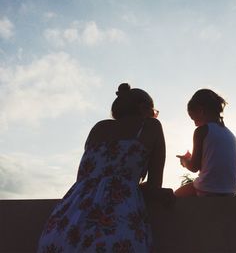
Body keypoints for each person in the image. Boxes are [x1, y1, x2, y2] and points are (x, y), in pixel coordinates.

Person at [38, 83, 166, 253]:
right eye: (154, 112)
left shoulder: (98, 128)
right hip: (116, 226)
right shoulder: (150, 126)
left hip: (66, 222)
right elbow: (154, 186)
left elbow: (83, 177)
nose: (154, 116)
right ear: (143, 108)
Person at [175, 89, 236, 197]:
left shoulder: (202, 131)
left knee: (174, 196)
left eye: (193, 119)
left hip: (207, 189)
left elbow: (194, 167)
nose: (195, 124)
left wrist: (185, 161)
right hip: (231, 192)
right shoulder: (231, 135)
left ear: (201, 111)